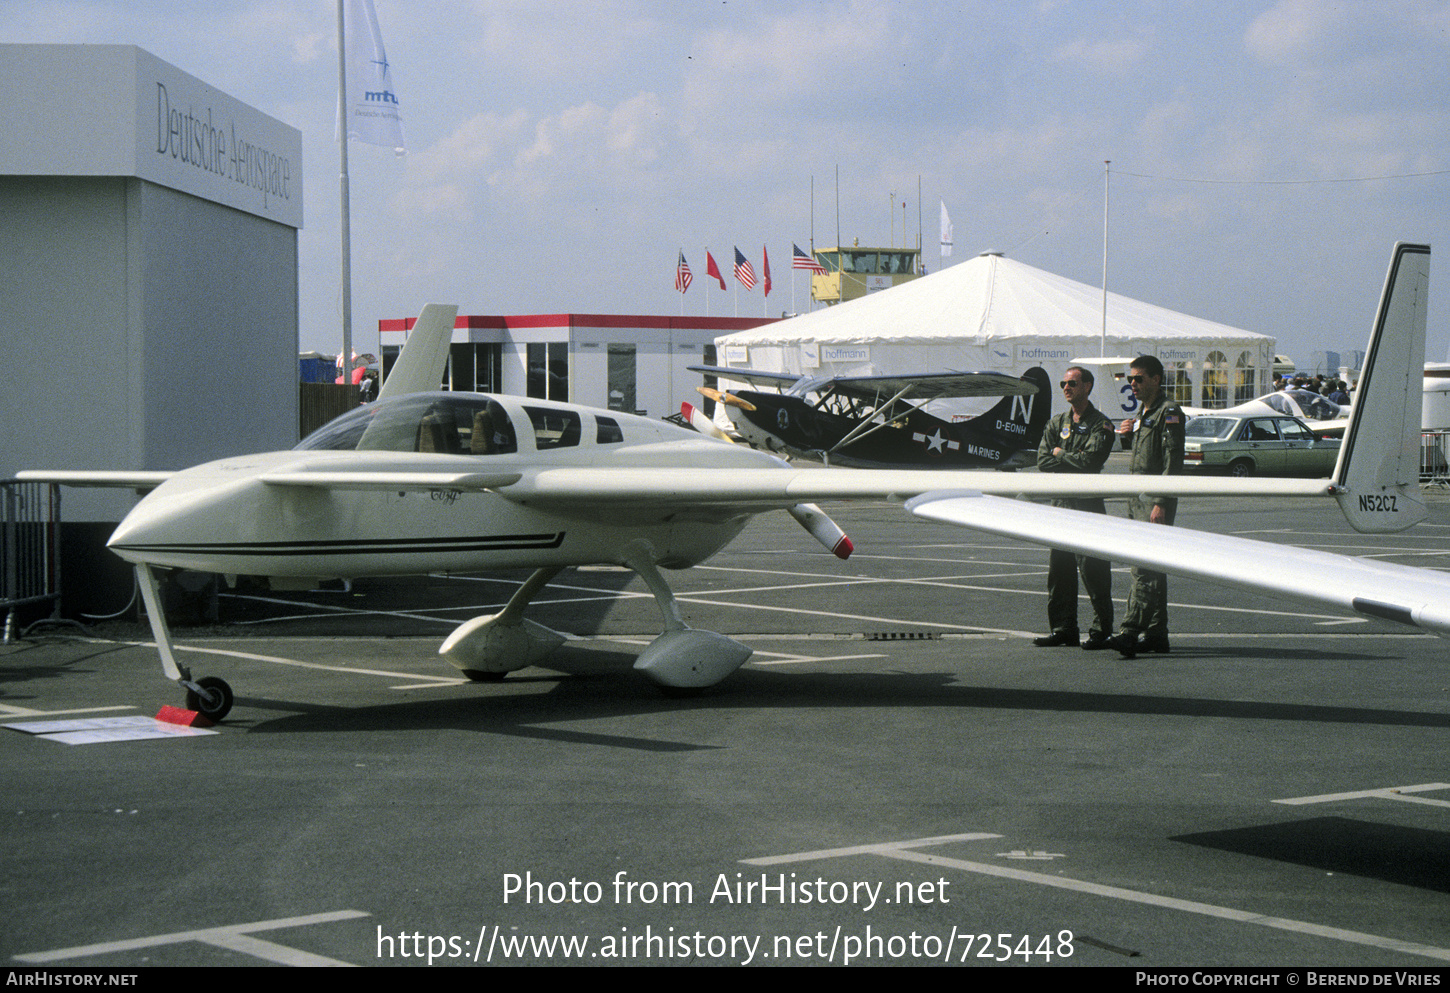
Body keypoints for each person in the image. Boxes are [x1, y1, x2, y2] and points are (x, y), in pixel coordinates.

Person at [1034, 366, 1116, 649]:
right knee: (1059, 571)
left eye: (1072, 383)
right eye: (1063, 383)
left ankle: (1101, 630)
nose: (1066, 388)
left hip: (1087, 507)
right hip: (1061, 507)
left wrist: (1061, 453)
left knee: (1093, 571)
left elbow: (1091, 462)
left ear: (1088, 386)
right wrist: (1069, 456)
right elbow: (1043, 461)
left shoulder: (1100, 424)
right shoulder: (1057, 422)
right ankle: (1062, 628)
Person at [1109, 355, 1185, 659]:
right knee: (1152, 566)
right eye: (1130, 379)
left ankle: (1130, 630)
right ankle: (1156, 633)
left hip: (1153, 498)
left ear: (1156, 379)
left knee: (1145, 567)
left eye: (1139, 378)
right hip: (1136, 496)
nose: (1133, 384)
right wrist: (1127, 437)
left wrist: (1161, 501)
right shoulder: (1145, 411)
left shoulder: (1169, 412)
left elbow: (1172, 460)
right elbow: (1142, 454)